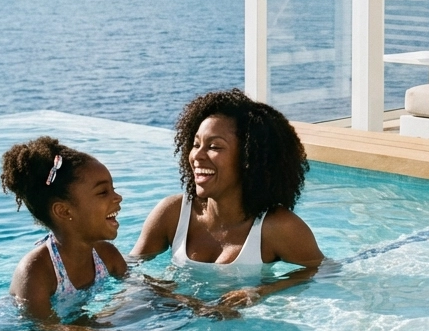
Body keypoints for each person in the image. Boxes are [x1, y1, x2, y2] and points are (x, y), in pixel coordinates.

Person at [132, 89, 323, 308]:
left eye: (214, 146)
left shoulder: (276, 227)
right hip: (171, 317)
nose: (197, 156)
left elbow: (322, 270)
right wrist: (167, 294)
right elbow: (127, 271)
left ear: (248, 158)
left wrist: (263, 291)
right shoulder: (172, 212)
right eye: (196, 144)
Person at [0, 136, 146, 331]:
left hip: (75, 322)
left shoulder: (107, 255)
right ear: (64, 211)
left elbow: (141, 287)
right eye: (103, 192)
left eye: (113, 189)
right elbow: (46, 329)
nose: (118, 197)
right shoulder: (36, 272)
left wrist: (185, 302)